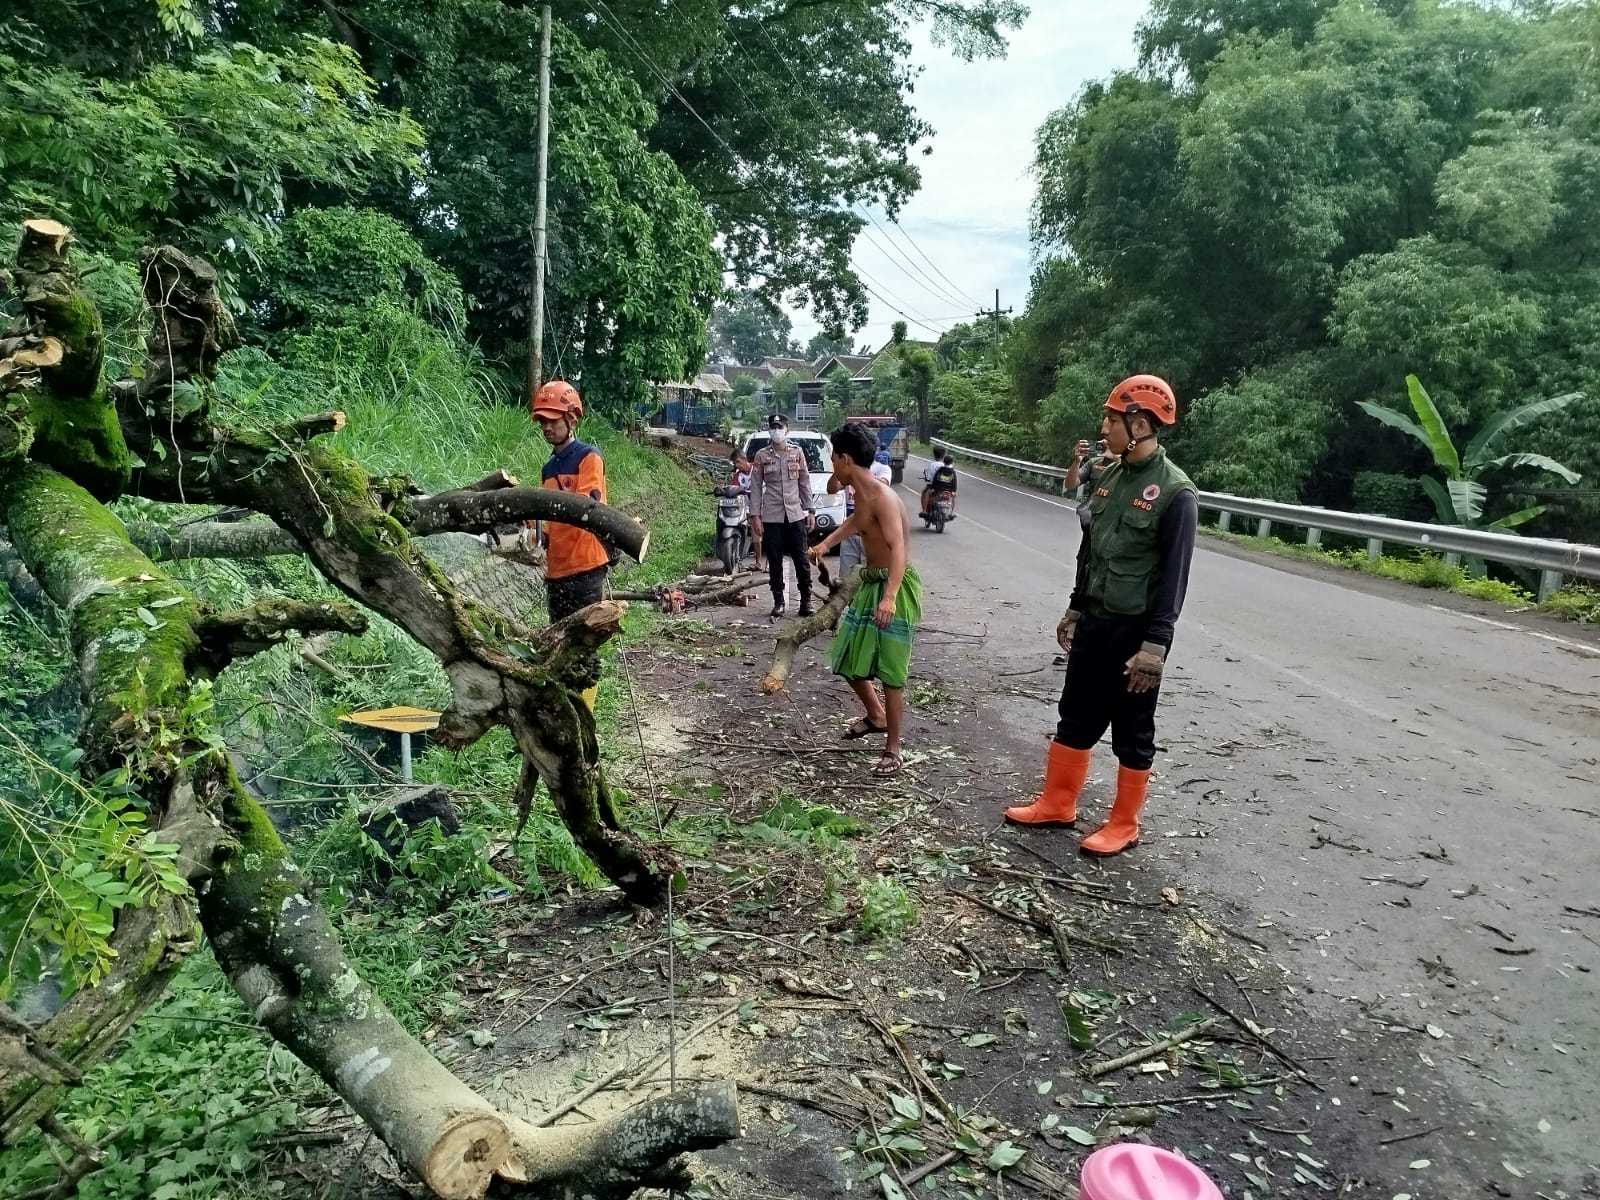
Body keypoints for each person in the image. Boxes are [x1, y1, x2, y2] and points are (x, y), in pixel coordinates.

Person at [1004, 374, 1198, 857]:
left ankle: (1124, 823)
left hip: (1137, 633)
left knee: (1132, 730)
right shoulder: (1108, 478)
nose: (1104, 427)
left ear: (1140, 424)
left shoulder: (1175, 493)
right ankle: (1057, 803)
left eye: (1111, 419)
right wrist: (1075, 606)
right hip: (1094, 619)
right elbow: (1088, 553)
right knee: (1074, 713)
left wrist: (1155, 647)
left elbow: (1174, 579)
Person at [809, 423, 921, 778]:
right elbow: (857, 523)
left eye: (833, 457)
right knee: (846, 657)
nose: (831, 463)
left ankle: (893, 749)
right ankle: (876, 715)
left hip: (894, 587)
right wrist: (825, 544)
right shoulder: (862, 493)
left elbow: (898, 549)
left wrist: (889, 597)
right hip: (872, 582)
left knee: (891, 672)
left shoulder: (882, 497)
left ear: (845, 458)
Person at [530, 379, 610, 708]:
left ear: (571, 419)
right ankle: (564, 710)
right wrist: (530, 529)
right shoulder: (548, 468)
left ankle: (584, 714)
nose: (547, 427)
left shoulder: (588, 458)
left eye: (553, 420)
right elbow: (549, 522)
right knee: (558, 646)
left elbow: (586, 506)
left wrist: (543, 506)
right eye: (542, 421)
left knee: (583, 649)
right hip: (557, 570)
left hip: (586, 566)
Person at [749, 414, 814, 618]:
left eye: (780, 426)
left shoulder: (797, 453)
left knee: (801, 559)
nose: (776, 430)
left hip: (795, 514)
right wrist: (755, 516)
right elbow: (756, 486)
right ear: (769, 429)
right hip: (772, 516)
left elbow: (804, 482)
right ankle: (778, 601)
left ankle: (806, 600)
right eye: (773, 426)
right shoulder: (761, 456)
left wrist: (810, 510)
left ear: (787, 429)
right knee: (775, 560)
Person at [833, 449, 895, 575]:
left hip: (871, 537)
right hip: (851, 535)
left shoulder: (882, 469)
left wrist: (859, 475)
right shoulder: (847, 471)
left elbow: (884, 483)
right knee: (846, 579)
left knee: (870, 577)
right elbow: (832, 488)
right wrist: (839, 470)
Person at [730, 450, 759, 567]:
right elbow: (734, 490)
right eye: (735, 463)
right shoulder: (737, 476)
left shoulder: (757, 468)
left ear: (744, 458)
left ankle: (769, 564)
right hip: (749, 508)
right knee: (755, 536)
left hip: (765, 505)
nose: (737, 465)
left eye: (738, 461)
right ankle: (758, 562)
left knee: (770, 536)